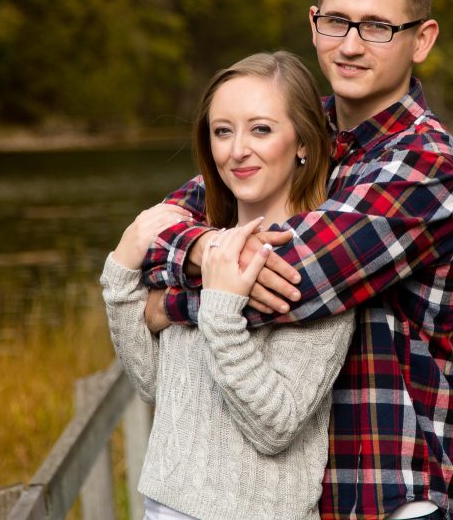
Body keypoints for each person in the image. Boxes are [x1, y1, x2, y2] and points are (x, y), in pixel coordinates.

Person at [142, 0, 453, 520]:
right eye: (338, 21)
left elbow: (297, 276)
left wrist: (165, 305)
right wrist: (197, 248)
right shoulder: (293, 128)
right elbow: (164, 224)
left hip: (387, 491)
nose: (349, 45)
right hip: (290, 495)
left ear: (421, 39)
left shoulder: (429, 166)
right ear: (314, 22)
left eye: (377, 28)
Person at [101, 52, 356, 520]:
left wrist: (220, 312)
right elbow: (151, 382)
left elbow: (275, 426)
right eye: (223, 131)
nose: (237, 150)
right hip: (164, 506)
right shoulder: (200, 251)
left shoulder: (316, 266)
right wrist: (121, 269)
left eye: (260, 129)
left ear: (302, 141)